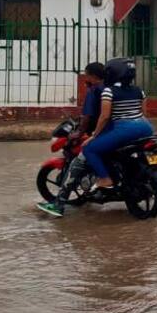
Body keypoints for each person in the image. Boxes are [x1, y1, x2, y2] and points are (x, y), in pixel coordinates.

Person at [36, 62, 107, 218]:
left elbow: (88, 116)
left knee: (77, 164)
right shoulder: (113, 89)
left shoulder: (94, 91)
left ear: (92, 76)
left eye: (86, 74)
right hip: (120, 132)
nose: (84, 77)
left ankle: (58, 205)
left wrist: (79, 132)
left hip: (99, 133)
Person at [82, 58, 154, 190]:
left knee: (89, 149)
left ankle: (105, 178)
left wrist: (93, 136)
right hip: (147, 128)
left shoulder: (108, 92)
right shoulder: (139, 90)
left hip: (124, 130)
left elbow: (104, 117)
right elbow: (144, 113)